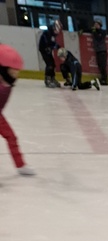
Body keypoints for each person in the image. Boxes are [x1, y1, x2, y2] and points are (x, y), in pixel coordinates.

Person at [0, 44, 35, 176]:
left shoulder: (8, 82)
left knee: (12, 137)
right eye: (13, 70)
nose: (16, 73)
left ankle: (20, 165)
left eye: (17, 70)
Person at [38, 20, 62, 88]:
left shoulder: (52, 33)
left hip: (48, 50)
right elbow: (47, 43)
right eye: (56, 30)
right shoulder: (47, 33)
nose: (56, 32)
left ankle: (52, 78)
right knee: (50, 64)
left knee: (53, 64)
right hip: (44, 50)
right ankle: (47, 79)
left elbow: (52, 42)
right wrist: (53, 46)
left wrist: (57, 46)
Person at [91, 20, 108, 85]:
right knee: (99, 65)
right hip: (98, 50)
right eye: (95, 24)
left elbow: (99, 38)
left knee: (103, 65)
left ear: (100, 25)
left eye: (97, 25)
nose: (95, 26)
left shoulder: (103, 32)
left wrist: (94, 31)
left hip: (102, 50)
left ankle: (105, 79)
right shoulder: (94, 31)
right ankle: (103, 78)